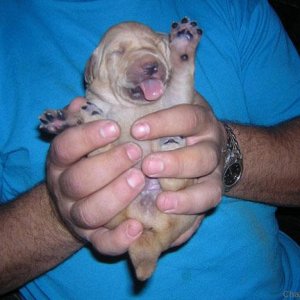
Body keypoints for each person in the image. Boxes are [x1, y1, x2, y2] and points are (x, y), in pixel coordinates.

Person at [0, 0, 299, 299]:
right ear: (92, 69)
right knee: (99, 134)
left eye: (157, 46)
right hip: (131, 215)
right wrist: (65, 208)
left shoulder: (234, 6)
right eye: (120, 52)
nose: (147, 60)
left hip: (277, 288)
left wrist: (225, 152)